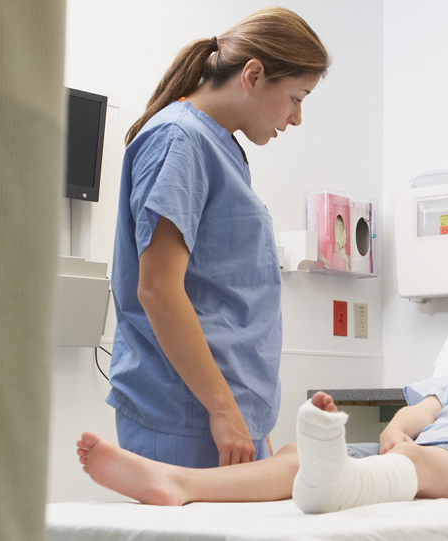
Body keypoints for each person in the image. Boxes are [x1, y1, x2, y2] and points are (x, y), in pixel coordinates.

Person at [77, 267, 448, 513]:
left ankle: (338, 482)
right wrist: (396, 433)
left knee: (417, 463)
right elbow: (412, 418)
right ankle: (181, 483)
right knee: (295, 451)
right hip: (414, 454)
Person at [107, 8, 331, 469]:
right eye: (295, 97)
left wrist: (243, 411)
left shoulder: (220, 146)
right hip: (188, 414)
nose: (297, 118)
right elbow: (157, 288)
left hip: (225, 413)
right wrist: (223, 409)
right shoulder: (179, 140)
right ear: (253, 74)